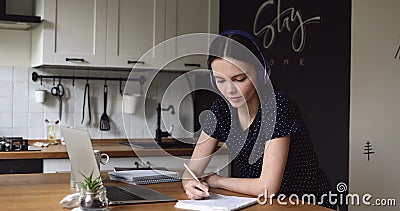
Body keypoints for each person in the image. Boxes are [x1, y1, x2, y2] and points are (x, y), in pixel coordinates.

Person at [181, 30, 336, 210]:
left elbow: (267, 188)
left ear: (261, 72)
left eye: (239, 79)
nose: (230, 90)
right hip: (265, 205)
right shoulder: (221, 108)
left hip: (306, 204)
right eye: (220, 81)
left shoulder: (276, 105)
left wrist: (217, 180)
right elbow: (192, 171)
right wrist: (190, 184)